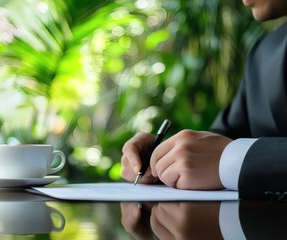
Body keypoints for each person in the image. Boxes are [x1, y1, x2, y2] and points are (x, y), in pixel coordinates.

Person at [121, 0, 287, 200]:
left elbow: (226, 153)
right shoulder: (263, 53)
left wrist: (232, 161)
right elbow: (221, 140)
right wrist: (165, 158)